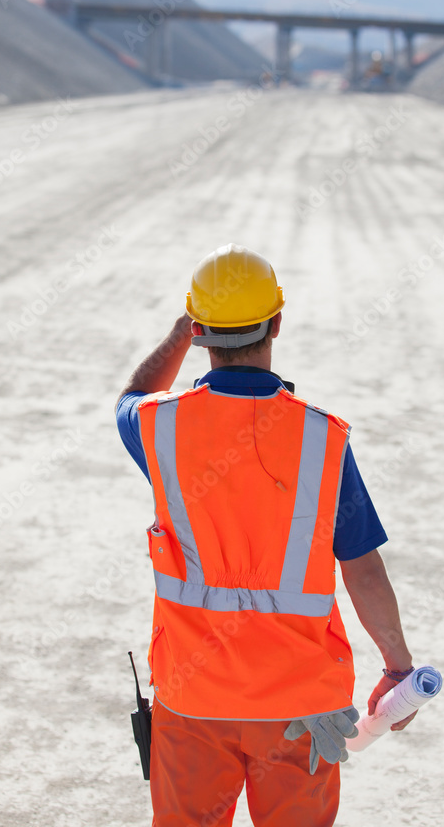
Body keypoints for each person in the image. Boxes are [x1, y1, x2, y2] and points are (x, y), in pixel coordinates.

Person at [116, 243, 416, 827]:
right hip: (300, 706)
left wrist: (181, 333)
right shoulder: (322, 440)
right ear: (277, 321)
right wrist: (398, 666)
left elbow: (129, 397)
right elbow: (362, 566)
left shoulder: (160, 427)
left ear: (200, 331)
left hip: (193, 698)